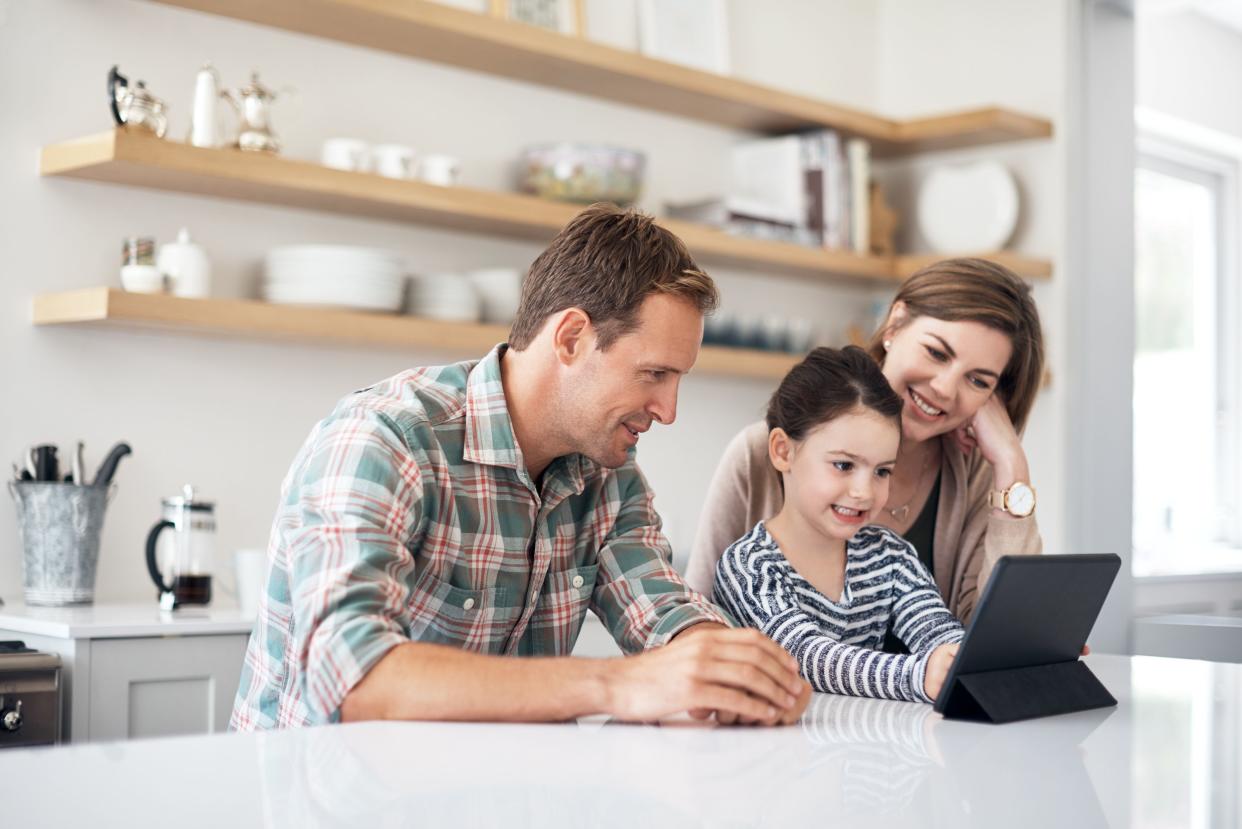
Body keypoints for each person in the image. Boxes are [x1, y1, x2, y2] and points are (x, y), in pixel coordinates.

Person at [230, 204, 811, 730]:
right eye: (654, 374)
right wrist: (614, 683)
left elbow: (664, 612)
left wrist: (726, 666)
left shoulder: (609, 477)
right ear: (572, 338)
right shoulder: (385, 439)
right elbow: (350, 679)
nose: (668, 411)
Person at [687, 258, 1045, 626]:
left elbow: (1000, 632)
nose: (944, 388)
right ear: (895, 324)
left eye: (978, 381)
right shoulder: (759, 453)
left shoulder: (978, 476)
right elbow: (698, 619)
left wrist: (1012, 466)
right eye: (937, 353)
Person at [714, 346, 964, 702]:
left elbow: (936, 629)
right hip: (782, 749)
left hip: (868, 746)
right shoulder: (748, 566)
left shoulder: (890, 556)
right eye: (844, 466)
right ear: (783, 451)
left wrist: (979, 657)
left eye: (882, 471)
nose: (864, 492)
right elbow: (804, 657)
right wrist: (919, 675)